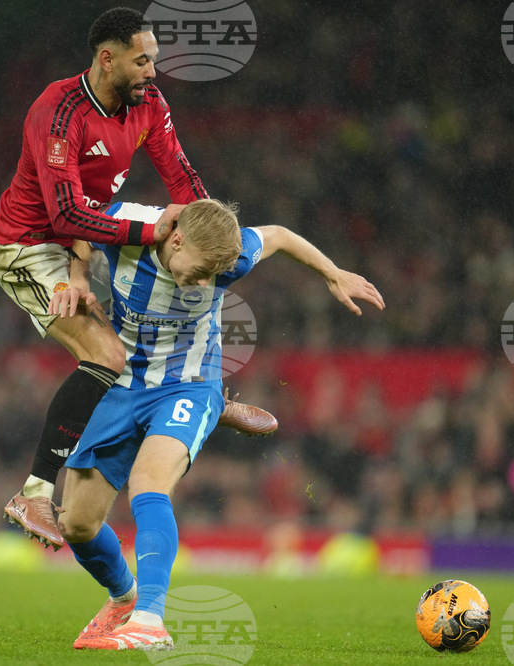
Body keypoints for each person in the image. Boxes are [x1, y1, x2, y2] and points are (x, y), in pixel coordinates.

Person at [0, 8, 276, 551]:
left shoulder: (149, 105)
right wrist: (142, 236)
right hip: (32, 246)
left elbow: (182, 176)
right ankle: (32, 492)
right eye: (142, 59)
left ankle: (202, 390)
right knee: (106, 357)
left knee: (180, 275)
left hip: (88, 236)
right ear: (108, 59)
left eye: (154, 59)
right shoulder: (58, 113)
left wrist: (215, 240)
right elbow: (67, 215)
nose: (153, 70)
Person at [50, 199, 385, 650]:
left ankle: (150, 620)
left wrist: (332, 272)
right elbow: (80, 226)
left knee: (148, 484)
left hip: (188, 384)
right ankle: (126, 598)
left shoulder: (233, 254)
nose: (206, 282)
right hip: (122, 384)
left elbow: (280, 235)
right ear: (176, 238)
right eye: (203, 270)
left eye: (216, 273)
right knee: (76, 524)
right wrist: (76, 278)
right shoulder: (126, 225)